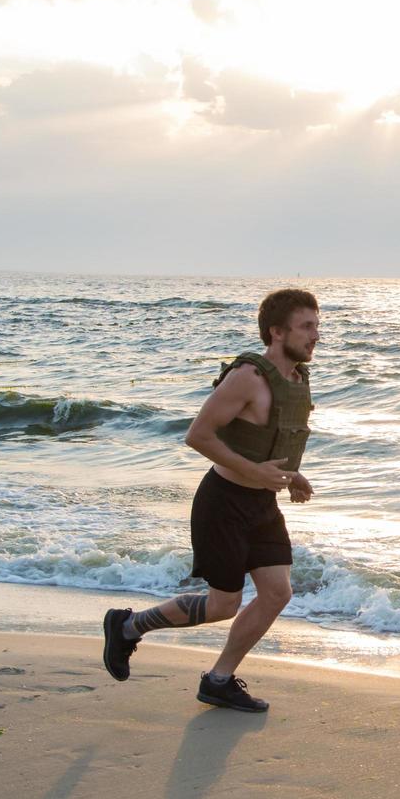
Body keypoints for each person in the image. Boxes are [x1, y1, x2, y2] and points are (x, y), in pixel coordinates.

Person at [101, 288, 320, 712]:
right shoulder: (247, 377)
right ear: (277, 332)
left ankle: (219, 679)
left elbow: (268, 439)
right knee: (224, 604)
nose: (316, 335)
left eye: (317, 326)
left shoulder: (296, 379)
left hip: (262, 506)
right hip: (224, 502)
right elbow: (198, 434)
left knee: (277, 593)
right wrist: (256, 473)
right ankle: (127, 626)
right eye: (306, 326)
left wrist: (292, 475)